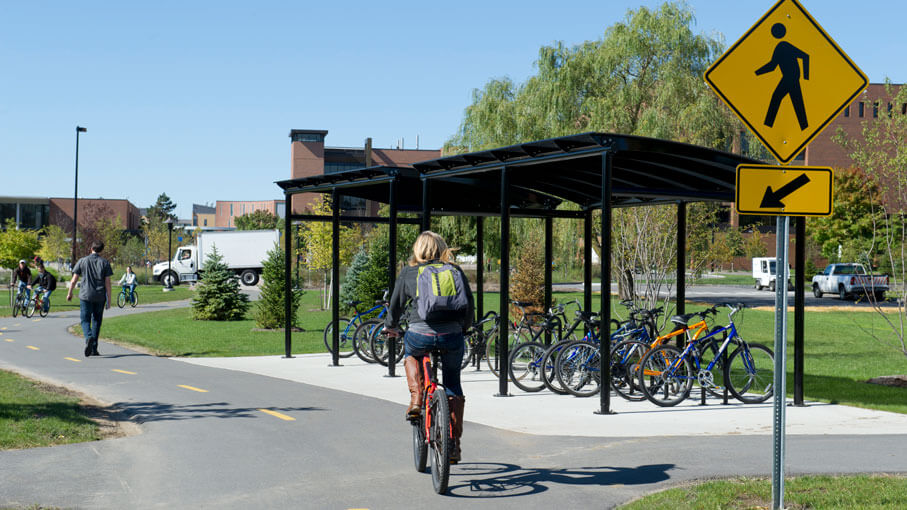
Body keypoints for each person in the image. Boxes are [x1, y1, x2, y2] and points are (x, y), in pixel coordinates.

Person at [384, 231, 474, 464]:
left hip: (420, 334)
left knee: (411, 351)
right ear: (442, 248)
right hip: (452, 335)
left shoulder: (408, 272)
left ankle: (417, 398)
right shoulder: (455, 271)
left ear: (418, 250)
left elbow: (394, 307)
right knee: (453, 382)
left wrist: (391, 326)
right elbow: (469, 306)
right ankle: (453, 444)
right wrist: (464, 328)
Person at [66, 241, 113, 357]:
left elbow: (74, 280)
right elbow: (108, 283)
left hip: (85, 295)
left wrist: (70, 293)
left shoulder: (82, 261)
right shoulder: (105, 263)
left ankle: (88, 337)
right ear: (101, 250)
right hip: (100, 296)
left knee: (85, 319)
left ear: (91, 248)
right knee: (97, 321)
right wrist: (109, 299)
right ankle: (94, 348)